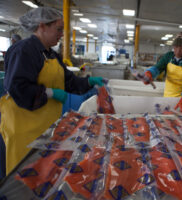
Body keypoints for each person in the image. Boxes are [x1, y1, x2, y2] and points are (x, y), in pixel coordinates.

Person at [0, 7, 105, 175]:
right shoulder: (24, 50)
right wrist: (51, 93)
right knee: (19, 176)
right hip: (23, 126)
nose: (62, 34)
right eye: (58, 29)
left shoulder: (50, 54)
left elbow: (69, 81)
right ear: (42, 26)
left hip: (43, 125)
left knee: (39, 174)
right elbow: (18, 88)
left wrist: (89, 82)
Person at [143, 32, 182, 112]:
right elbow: (158, 68)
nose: (178, 51)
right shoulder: (168, 56)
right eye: (176, 47)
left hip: (181, 99)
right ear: (173, 47)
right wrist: (149, 73)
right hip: (167, 96)